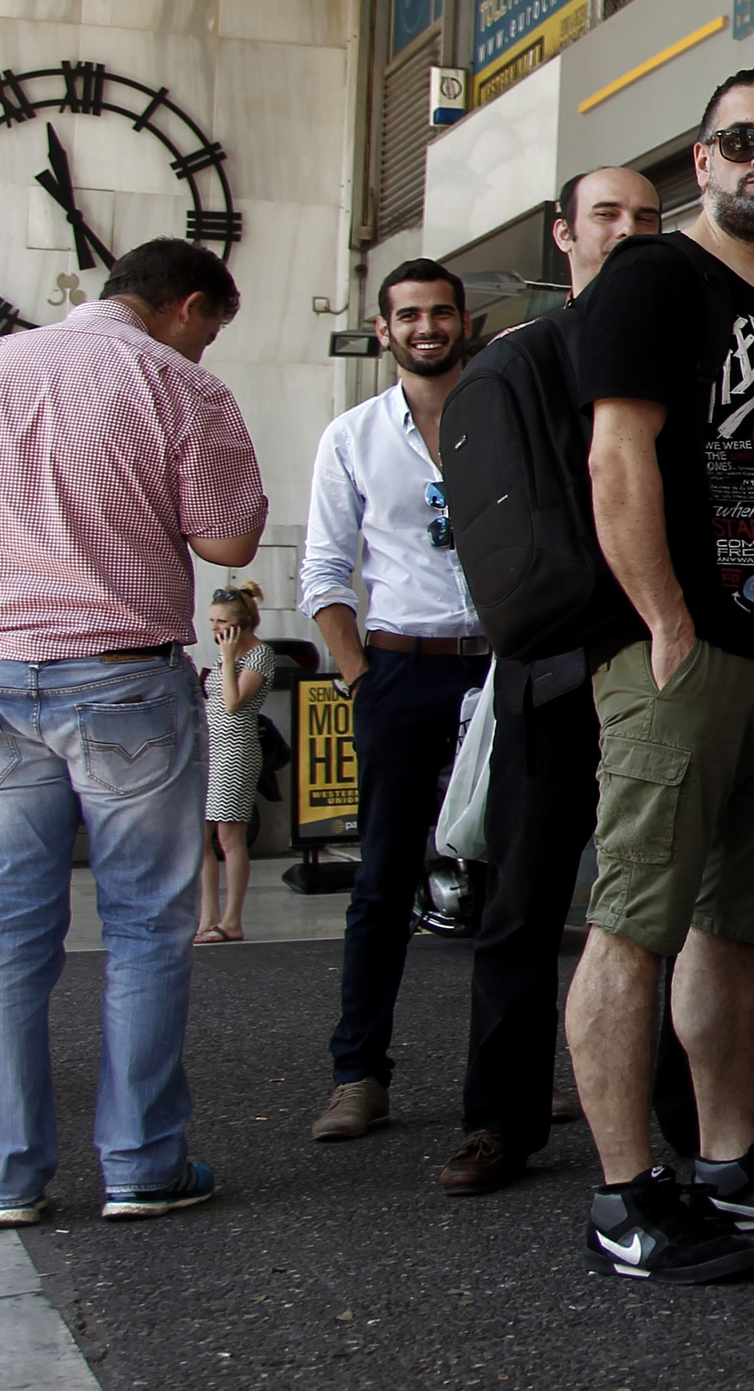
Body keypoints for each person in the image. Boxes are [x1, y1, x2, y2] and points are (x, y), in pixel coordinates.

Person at [561, 65, 754, 1284]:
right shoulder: (651, 278)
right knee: (634, 921)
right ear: (700, 162)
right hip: (680, 654)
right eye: (739, 141)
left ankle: (731, 1160)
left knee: (738, 926)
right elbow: (618, 458)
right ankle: (625, 1189)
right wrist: (664, 622)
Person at [0, 238, 266, 1228]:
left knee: (5, 932)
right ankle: (140, 1162)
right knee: (144, 924)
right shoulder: (172, 383)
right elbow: (227, 540)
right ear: (185, 306)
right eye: (210, 333)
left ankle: (5, 1177)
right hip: (120, 677)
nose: (206, 352)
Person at [441, 165, 668, 1196]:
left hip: (668, 670)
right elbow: (518, 538)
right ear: (561, 235)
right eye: (606, 216)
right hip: (557, 673)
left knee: (667, 902)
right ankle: (501, 1118)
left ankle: (687, 1114)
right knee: (522, 904)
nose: (626, 232)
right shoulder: (517, 367)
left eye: (647, 219)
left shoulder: (680, 352)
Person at [301, 260, 494, 1153]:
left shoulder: (502, 416)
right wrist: (357, 675)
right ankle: (358, 1076)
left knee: (515, 886)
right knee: (383, 883)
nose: (426, 327)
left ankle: (507, 1078)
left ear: (464, 322)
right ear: (384, 329)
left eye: (440, 313)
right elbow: (324, 570)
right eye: (408, 315)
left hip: (504, 671)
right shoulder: (352, 435)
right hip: (402, 671)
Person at [195, 581, 276, 945]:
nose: (215, 628)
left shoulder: (258, 656)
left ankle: (232, 920)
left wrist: (228, 661)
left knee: (231, 836)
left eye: (221, 622)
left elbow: (232, 703)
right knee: (201, 837)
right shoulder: (222, 656)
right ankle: (207, 918)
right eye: (212, 621)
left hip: (236, 751)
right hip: (210, 750)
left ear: (242, 623)